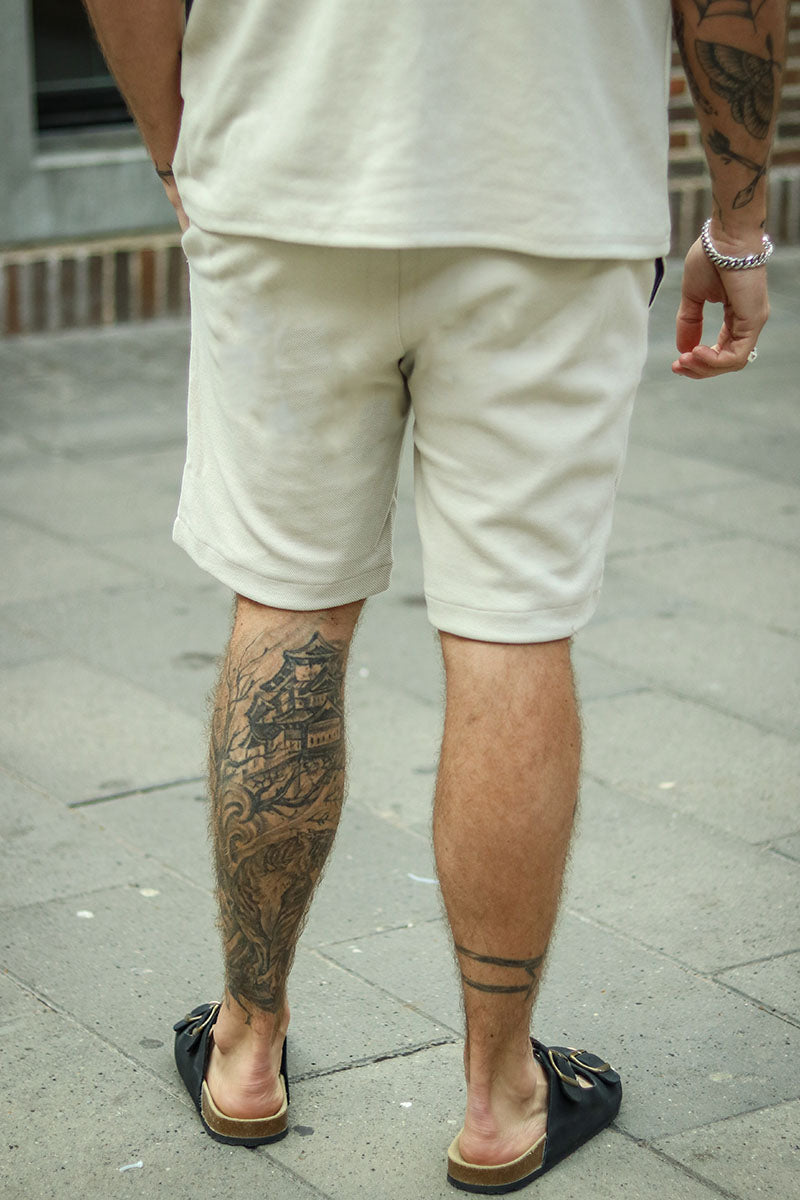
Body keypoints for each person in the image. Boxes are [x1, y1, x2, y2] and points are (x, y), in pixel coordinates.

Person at [84, 0, 784, 1190]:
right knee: (514, 627)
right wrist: (740, 221)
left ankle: (245, 1051)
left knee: (288, 607)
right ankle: (499, 1097)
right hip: (550, 188)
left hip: (283, 173)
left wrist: (177, 148)